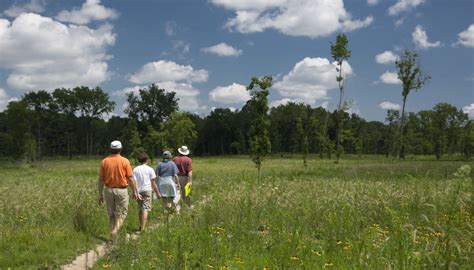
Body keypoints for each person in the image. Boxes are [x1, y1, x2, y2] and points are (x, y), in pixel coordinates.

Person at [98, 140, 141, 243]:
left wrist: (100, 194)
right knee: (122, 213)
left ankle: (113, 238)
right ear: (120, 149)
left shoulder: (104, 161)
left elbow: (101, 179)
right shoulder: (125, 161)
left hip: (108, 190)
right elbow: (130, 178)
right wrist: (135, 191)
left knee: (111, 214)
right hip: (121, 190)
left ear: (110, 149)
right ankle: (115, 231)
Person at [133, 152, 161, 233]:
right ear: (147, 160)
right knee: (145, 209)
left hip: (139, 191)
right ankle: (143, 228)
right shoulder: (150, 169)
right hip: (147, 190)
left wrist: (134, 192)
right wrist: (158, 193)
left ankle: (140, 226)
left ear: (138, 161)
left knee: (140, 208)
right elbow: (153, 183)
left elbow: (134, 182)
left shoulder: (135, 169)